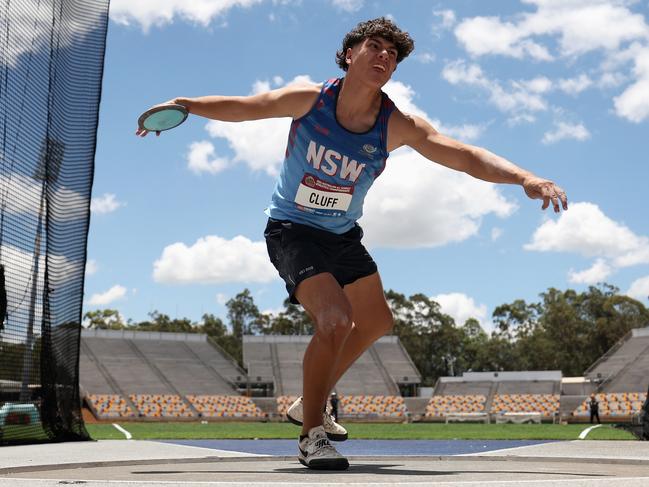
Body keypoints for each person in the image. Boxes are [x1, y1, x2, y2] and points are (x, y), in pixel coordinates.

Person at [137, 17, 568, 470]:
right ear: (348, 54)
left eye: (392, 55)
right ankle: (311, 435)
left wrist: (525, 177)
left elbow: (461, 154)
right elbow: (248, 106)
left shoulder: (395, 124)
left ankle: (309, 402)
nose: (383, 56)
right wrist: (186, 105)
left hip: (342, 235)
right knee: (336, 319)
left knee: (378, 321)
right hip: (292, 230)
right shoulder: (310, 100)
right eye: (375, 46)